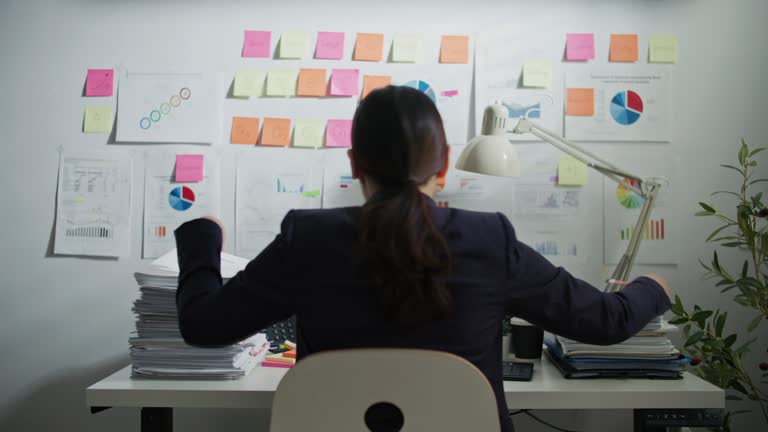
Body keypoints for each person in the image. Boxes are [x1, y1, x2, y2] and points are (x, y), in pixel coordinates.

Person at [174, 85, 672, 432]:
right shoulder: (489, 240)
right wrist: (653, 287)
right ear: (444, 160)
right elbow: (607, 321)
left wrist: (203, 237)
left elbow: (201, 324)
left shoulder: (308, 237)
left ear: (354, 164)